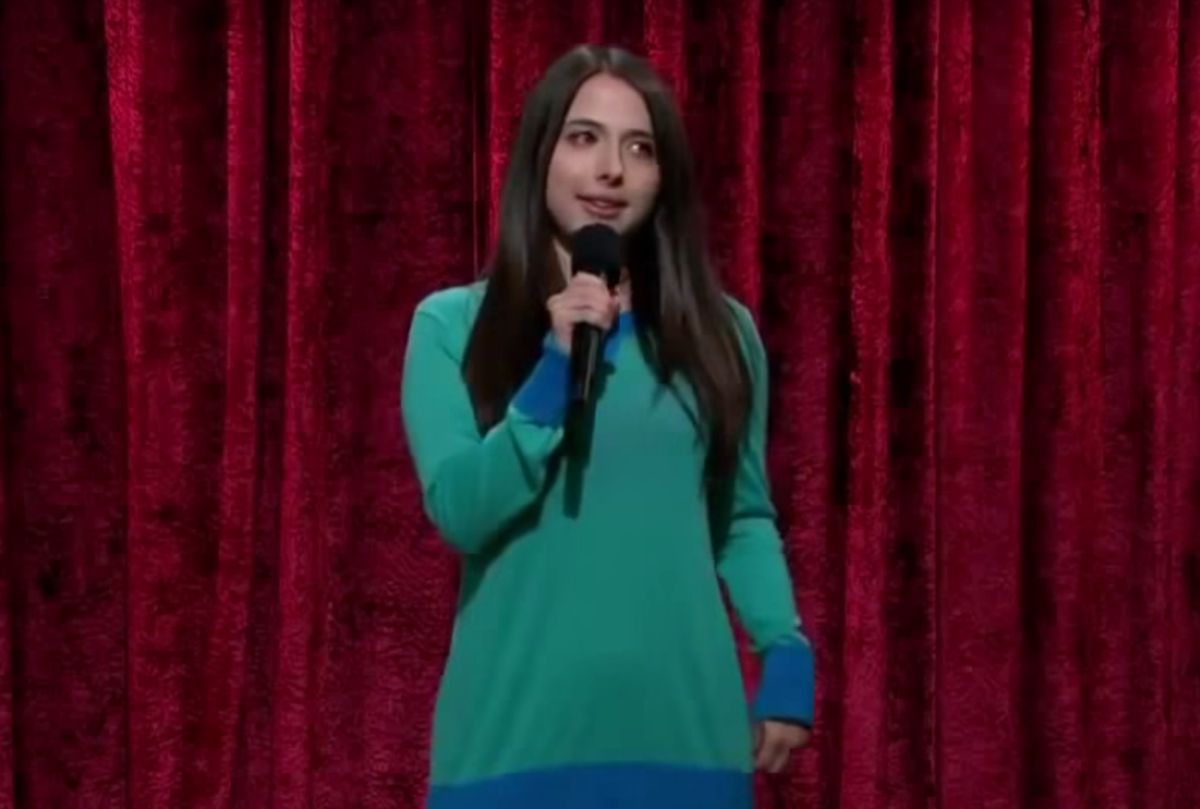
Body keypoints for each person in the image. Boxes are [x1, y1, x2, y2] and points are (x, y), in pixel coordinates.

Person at [401, 43, 814, 809]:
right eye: (584, 137)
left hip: (685, 742)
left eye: (639, 148)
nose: (610, 170)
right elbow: (461, 509)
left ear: (663, 178)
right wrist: (552, 374)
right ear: (541, 154)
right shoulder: (451, 325)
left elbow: (741, 515)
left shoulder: (722, 334)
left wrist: (783, 648)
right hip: (510, 745)